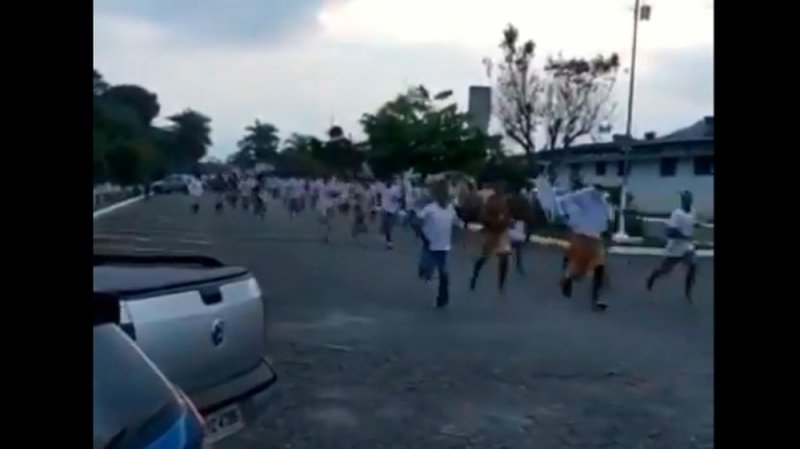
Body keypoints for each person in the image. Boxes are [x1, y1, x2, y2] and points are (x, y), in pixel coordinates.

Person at [557, 185, 612, 311]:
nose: (600, 191)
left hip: (595, 238)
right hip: (580, 235)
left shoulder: (604, 200)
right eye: (598, 187)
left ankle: (595, 299)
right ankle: (567, 280)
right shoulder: (582, 195)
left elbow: (606, 220)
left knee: (599, 268)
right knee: (575, 265)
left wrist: (607, 234)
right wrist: (567, 216)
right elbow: (564, 201)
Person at [414, 181, 462, 308]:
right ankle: (426, 272)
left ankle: (443, 298)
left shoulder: (451, 209)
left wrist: (456, 238)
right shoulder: (430, 209)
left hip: (442, 248)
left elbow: (458, 224)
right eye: (442, 196)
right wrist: (423, 237)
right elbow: (417, 222)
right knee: (424, 271)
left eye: (446, 197)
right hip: (429, 246)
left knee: (443, 273)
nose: (444, 199)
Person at [645, 191, 699, 302]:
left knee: (693, 264)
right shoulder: (677, 214)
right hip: (675, 247)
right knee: (664, 270)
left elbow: (690, 223)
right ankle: (652, 277)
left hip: (687, 246)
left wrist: (696, 225)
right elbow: (670, 232)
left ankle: (688, 292)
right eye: (685, 199)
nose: (687, 201)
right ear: (682, 200)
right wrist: (683, 236)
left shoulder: (693, 212)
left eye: (689, 199)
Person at [469, 182, 513, 296]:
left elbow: (508, 215)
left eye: (503, 188)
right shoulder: (490, 201)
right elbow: (483, 216)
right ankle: (474, 275)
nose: (501, 190)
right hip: (492, 232)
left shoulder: (505, 201)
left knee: (504, 259)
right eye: (500, 187)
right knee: (484, 257)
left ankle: (501, 285)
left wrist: (507, 221)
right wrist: (491, 224)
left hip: (502, 232)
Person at [380, 178, 403, 249]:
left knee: (389, 228)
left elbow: (399, 198)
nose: (387, 184)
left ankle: (389, 242)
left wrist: (396, 199)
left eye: (389, 182)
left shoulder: (394, 190)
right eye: (387, 183)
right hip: (384, 210)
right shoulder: (384, 190)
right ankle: (388, 241)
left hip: (391, 211)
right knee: (386, 228)